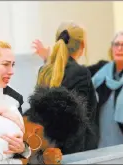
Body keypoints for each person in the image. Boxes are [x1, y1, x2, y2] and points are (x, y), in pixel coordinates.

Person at [33, 31, 123, 148]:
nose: (119, 48)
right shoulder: (102, 69)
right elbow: (74, 74)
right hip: (101, 142)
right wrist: (49, 59)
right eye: (116, 44)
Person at [32, 22, 99, 154]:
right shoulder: (80, 73)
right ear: (82, 45)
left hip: (49, 149)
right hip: (77, 151)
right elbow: (79, 119)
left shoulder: (44, 71)